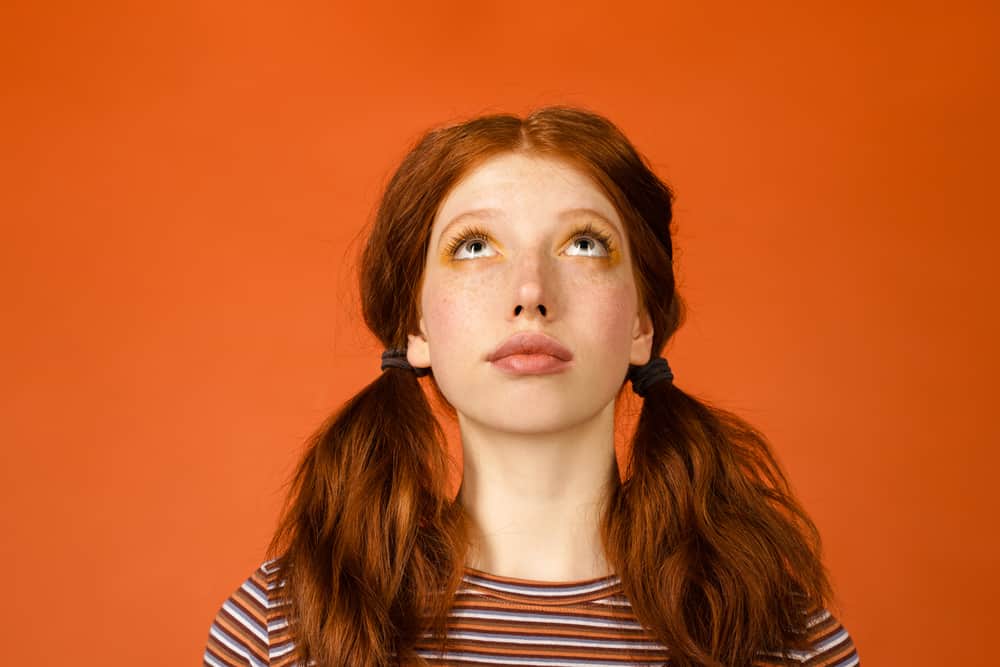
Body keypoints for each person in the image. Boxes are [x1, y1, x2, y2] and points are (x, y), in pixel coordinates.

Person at [203, 106, 860, 667]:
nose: (530, 294)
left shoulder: (783, 639)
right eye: (473, 246)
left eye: (582, 244)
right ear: (416, 326)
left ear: (640, 324)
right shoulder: (282, 630)